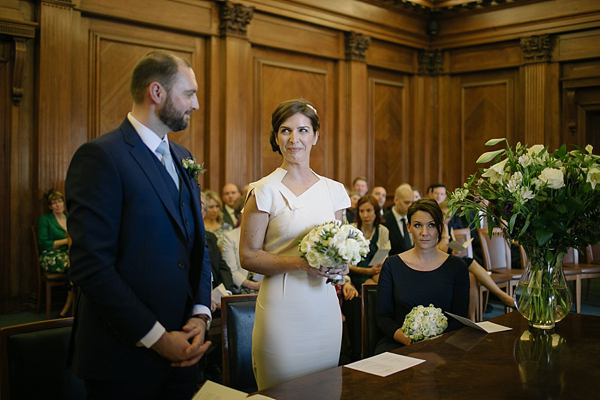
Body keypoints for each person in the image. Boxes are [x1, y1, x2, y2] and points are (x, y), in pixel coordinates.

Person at [65, 51, 212, 399]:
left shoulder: (184, 158)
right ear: (157, 93)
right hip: (123, 359)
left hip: (185, 352)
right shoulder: (101, 157)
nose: (196, 105)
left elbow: (197, 245)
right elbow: (91, 267)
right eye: (189, 94)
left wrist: (201, 314)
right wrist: (159, 339)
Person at [239, 99, 350, 390]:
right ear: (276, 138)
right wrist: (303, 264)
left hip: (325, 309)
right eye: (285, 131)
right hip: (282, 310)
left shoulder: (334, 191)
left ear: (315, 136)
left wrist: (342, 263)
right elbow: (248, 257)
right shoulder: (263, 191)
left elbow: (342, 248)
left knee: (325, 390)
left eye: (302, 130)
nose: (294, 139)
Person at [375, 199, 469, 354]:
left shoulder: (457, 267)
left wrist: (434, 342)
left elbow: (459, 318)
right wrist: (407, 339)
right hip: (400, 343)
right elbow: (383, 317)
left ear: (440, 228)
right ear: (409, 227)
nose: (424, 233)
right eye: (418, 225)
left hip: (443, 346)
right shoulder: (392, 265)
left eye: (431, 225)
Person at [437, 201, 514, 320]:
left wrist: (456, 249)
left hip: (449, 260)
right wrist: (445, 234)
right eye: (443, 213)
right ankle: (503, 296)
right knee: (469, 261)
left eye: (449, 214)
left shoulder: (449, 225)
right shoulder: (437, 226)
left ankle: (472, 319)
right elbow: (441, 249)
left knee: (471, 278)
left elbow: (450, 246)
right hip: (438, 264)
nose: (446, 217)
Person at [37, 189, 74, 318]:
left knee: (79, 263)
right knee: (74, 265)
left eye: (60, 201)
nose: (58, 204)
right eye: (54, 202)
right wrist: (66, 240)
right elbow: (43, 243)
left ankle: (72, 307)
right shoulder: (45, 219)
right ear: (50, 206)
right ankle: (68, 308)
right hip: (50, 255)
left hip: (69, 254)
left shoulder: (70, 217)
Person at [348, 195, 391, 288]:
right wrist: (367, 271)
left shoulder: (383, 230)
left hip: (375, 270)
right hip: (357, 272)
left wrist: (375, 269)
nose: (365, 215)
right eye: (361, 211)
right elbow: (347, 265)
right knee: (372, 287)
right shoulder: (352, 229)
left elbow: (384, 256)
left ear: (376, 211)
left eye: (369, 210)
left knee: (385, 285)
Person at [222, 197, 262, 293]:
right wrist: (252, 285)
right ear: (238, 214)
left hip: (266, 286)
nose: (251, 213)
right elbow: (231, 270)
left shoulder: (266, 234)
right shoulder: (230, 237)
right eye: (246, 210)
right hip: (242, 289)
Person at [383, 183, 414, 256]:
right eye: (406, 202)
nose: (410, 206)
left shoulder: (414, 218)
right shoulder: (384, 219)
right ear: (396, 200)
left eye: (412, 202)